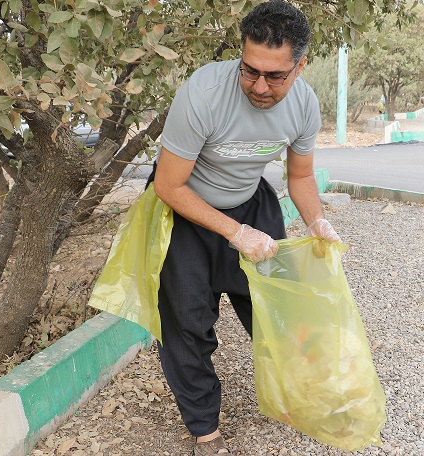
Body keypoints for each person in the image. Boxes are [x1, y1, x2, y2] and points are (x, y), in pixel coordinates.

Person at [146, 1, 340, 454]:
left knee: (279, 314)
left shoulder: (305, 105)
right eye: (249, 70)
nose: (258, 85)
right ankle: (204, 429)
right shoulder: (204, 92)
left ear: (299, 66)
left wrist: (317, 221)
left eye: (274, 76)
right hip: (186, 212)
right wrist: (233, 234)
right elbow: (169, 186)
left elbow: (300, 178)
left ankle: (295, 395)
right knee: (188, 324)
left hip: (252, 206)